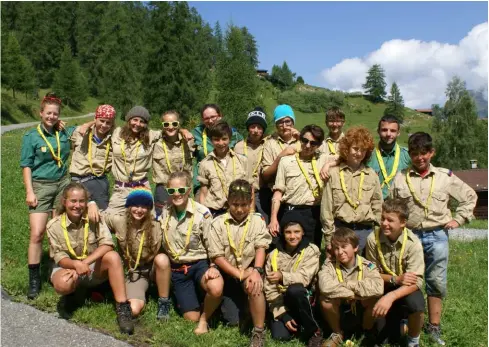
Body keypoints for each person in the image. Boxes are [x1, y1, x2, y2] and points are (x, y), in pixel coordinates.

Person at [389, 132, 477, 346]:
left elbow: (470, 197)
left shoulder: (444, 177)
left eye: (424, 153)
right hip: (409, 237)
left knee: (435, 281)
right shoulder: (400, 178)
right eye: (415, 154)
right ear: (410, 154)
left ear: (432, 152)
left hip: (436, 235)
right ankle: (407, 320)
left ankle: (434, 327)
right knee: (408, 278)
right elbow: (391, 207)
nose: (420, 158)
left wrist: (458, 219)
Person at [46, 183, 134, 334]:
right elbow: (59, 257)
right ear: (64, 202)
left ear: (86, 202)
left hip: (90, 266)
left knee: (113, 257)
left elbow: (107, 244)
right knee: (62, 284)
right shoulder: (53, 225)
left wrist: (84, 263)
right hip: (68, 267)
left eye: (81, 201)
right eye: (73, 201)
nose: (77, 205)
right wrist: (75, 264)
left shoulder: (94, 217)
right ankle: (72, 295)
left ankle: (122, 308)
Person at [20, 92, 78, 299]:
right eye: (48, 113)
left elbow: (83, 130)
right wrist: (30, 191)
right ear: (41, 113)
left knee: (58, 232)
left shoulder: (63, 132)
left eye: (55, 114)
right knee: (37, 233)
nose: (51, 117)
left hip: (62, 184)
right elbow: (26, 165)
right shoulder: (31, 136)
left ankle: (57, 270)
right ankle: (34, 278)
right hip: (41, 186)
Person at [207, 179, 272, 347]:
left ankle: (258, 331)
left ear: (251, 202)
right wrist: (238, 274)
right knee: (232, 321)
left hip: (249, 272)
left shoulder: (257, 221)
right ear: (228, 201)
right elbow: (217, 256)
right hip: (228, 275)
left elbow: (260, 247)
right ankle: (237, 309)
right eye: (235, 204)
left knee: (255, 285)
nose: (240, 209)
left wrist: (256, 270)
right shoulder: (218, 223)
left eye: (244, 204)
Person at [159, 171, 223, 335]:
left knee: (215, 287)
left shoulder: (202, 213)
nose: (177, 195)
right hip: (178, 269)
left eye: (181, 190)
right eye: (172, 191)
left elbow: (212, 242)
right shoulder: (165, 211)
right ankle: (189, 301)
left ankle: (204, 320)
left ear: (188, 191)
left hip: (199, 264)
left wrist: (214, 265)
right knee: (190, 317)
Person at [103, 187, 172, 321]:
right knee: (133, 310)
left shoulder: (157, 224)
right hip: (136, 273)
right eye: (135, 205)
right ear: (128, 206)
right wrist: (92, 204)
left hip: (153, 269)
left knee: (162, 259)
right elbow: (98, 218)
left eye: (144, 206)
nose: (139, 210)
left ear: (149, 208)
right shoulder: (119, 221)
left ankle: (164, 302)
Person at [365, 199, 425, 347]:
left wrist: (391, 296)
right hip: (384, 283)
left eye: (390, 220)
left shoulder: (413, 243)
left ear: (403, 223)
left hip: (406, 288)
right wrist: (395, 279)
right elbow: (371, 272)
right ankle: (397, 324)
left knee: (416, 304)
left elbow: (416, 282)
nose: (384, 223)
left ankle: (413, 341)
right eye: (382, 218)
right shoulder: (373, 239)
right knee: (384, 339)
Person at [320, 126, 382, 255]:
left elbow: (378, 206)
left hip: (365, 231)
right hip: (340, 229)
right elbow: (327, 209)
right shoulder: (334, 174)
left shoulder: (372, 176)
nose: (359, 153)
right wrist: (329, 239)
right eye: (355, 148)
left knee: (363, 270)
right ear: (346, 148)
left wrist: (378, 235)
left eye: (363, 150)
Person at [264, 211, 322, 346]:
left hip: (306, 298)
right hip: (282, 300)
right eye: (288, 232)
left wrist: (282, 276)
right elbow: (269, 288)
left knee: (295, 289)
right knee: (280, 336)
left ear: (303, 232)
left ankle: (315, 331)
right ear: (283, 234)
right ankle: (293, 321)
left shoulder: (312, 250)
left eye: (296, 231)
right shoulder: (273, 255)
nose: (292, 236)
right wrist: (283, 314)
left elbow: (305, 278)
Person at [318, 228, 383, 347]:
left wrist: (348, 285)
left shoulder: (367, 265)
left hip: (360, 310)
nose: (340, 252)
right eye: (336, 248)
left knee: (374, 298)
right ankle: (337, 333)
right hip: (341, 310)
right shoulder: (329, 265)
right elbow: (325, 287)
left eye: (344, 247)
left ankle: (367, 332)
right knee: (325, 299)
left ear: (355, 248)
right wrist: (353, 294)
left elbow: (378, 288)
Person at [269, 124, 326, 248]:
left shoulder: (323, 159)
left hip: (312, 212)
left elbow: (343, 157)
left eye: (313, 143)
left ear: (319, 145)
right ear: (299, 140)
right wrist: (273, 218)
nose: (307, 146)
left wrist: (328, 165)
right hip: (290, 210)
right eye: (305, 141)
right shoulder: (286, 161)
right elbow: (278, 192)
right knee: (287, 249)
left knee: (312, 251)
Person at [107, 106, 161, 214]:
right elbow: (100, 125)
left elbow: (169, 131)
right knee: (111, 218)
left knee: (149, 222)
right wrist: (87, 125)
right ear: (129, 120)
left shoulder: (151, 135)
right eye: (135, 119)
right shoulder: (116, 133)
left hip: (142, 186)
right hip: (120, 188)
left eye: (142, 121)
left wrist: (183, 130)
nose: (138, 124)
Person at [69, 105, 116, 211]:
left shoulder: (113, 138)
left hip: (99, 183)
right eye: (102, 121)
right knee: (77, 217)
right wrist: (88, 124)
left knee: (100, 218)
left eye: (108, 122)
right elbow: (59, 132)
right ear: (95, 119)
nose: (104, 125)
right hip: (79, 182)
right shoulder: (80, 132)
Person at [197, 120, 249, 216]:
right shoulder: (205, 164)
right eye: (216, 139)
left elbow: (250, 189)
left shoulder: (242, 160)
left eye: (224, 139)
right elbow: (203, 193)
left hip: (238, 210)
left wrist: (251, 211)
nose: (221, 143)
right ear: (211, 140)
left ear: (229, 138)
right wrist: (203, 214)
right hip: (215, 211)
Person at [191, 104, 243, 193]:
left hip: (226, 181)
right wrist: (182, 130)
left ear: (220, 116)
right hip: (203, 183)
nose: (210, 121)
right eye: (206, 118)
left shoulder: (232, 134)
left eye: (213, 117)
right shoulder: (197, 132)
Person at [260, 105, 300, 220]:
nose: (284, 126)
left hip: (297, 197)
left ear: (293, 122)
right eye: (280, 123)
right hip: (275, 196)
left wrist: (301, 138)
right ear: (276, 125)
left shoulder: (303, 140)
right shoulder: (269, 143)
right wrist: (280, 157)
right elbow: (265, 175)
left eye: (287, 122)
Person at [152, 110, 193, 217]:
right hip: (164, 188)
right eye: (166, 124)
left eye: (174, 124)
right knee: (162, 220)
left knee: (184, 219)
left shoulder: (189, 140)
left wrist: (184, 131)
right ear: (162, 126)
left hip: (183, 188)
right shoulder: (154, 142)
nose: (170, 127)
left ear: (178, 124)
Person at [234, 107, 269, 222]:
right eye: (252, 126)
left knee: (264, 224)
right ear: (248, 128)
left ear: (263, 130)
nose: (255, 130)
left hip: (263, 193)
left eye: (259, 127)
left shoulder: (269, 145)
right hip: (244, 192)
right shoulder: (238, 146)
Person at [367, 115, 411, 200]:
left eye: (393, 131)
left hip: (398, 207)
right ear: (378, 131)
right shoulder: (367, 154)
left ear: (398, 133)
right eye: (384, 130)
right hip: (373, 206)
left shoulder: (408, 155)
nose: (388, 134)